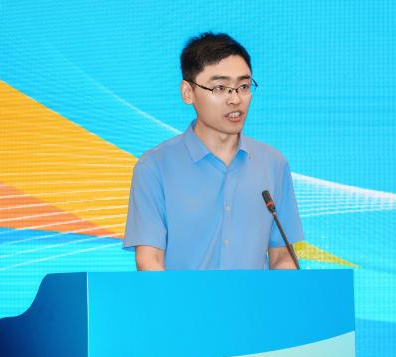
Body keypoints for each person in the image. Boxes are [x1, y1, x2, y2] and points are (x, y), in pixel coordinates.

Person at [123, 32, 303, 270]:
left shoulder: (273, 164)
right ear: (188, 92)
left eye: (243, 86)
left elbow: (283, 258)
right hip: (182, 296)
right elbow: (149, 261)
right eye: (220, 87)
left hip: (254, 297)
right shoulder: (155, 167)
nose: (235, 99)